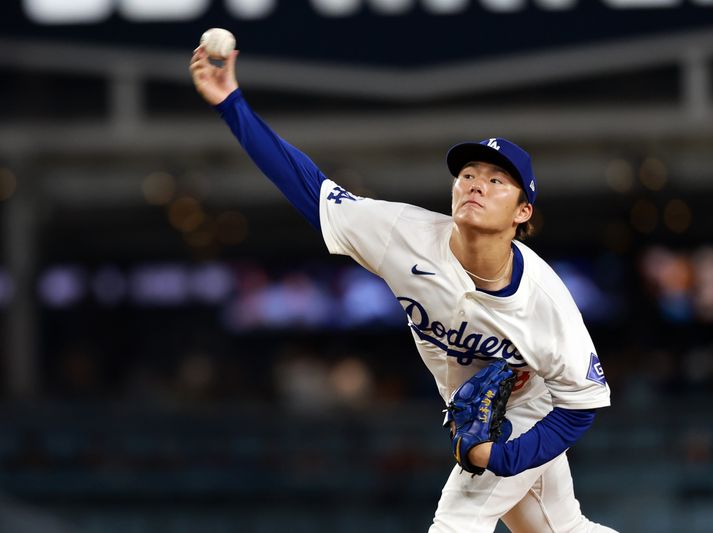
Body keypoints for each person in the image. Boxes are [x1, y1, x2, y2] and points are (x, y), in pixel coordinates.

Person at [190, 44, 617, 533]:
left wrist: (502, 455)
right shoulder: (404, 235)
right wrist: (231, 104)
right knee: (560, 530)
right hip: (480, 416)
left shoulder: (546, 301)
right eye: (468, 174)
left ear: (523, 213)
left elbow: (580, 406)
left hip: (528, 408)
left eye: (497, 180)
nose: (476, 183)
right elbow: (308, 187)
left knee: (456, 523)